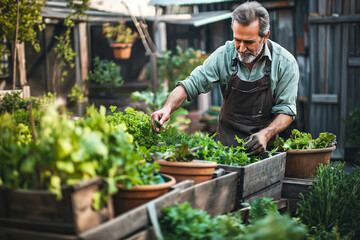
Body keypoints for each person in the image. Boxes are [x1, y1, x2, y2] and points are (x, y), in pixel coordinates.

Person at [151, 1, 299, 156]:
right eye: (237, 40)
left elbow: (287, 110)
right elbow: (191, 84)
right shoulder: (224, 55)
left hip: (264, 151)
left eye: (249, 42)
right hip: (225, 150)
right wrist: (166, 108)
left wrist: (266, 134)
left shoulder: (285, 63)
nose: (241, 49)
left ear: (265, 36)